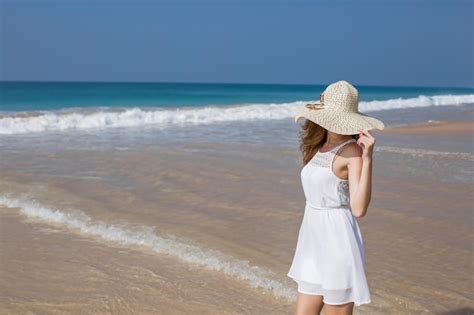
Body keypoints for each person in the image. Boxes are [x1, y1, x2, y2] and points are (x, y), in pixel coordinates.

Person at [287, 80, 385, 315]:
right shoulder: (319, 146)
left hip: (336, 240)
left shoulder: (352, 152)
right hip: (311, 239)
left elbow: (359, 209)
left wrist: (368, 158)